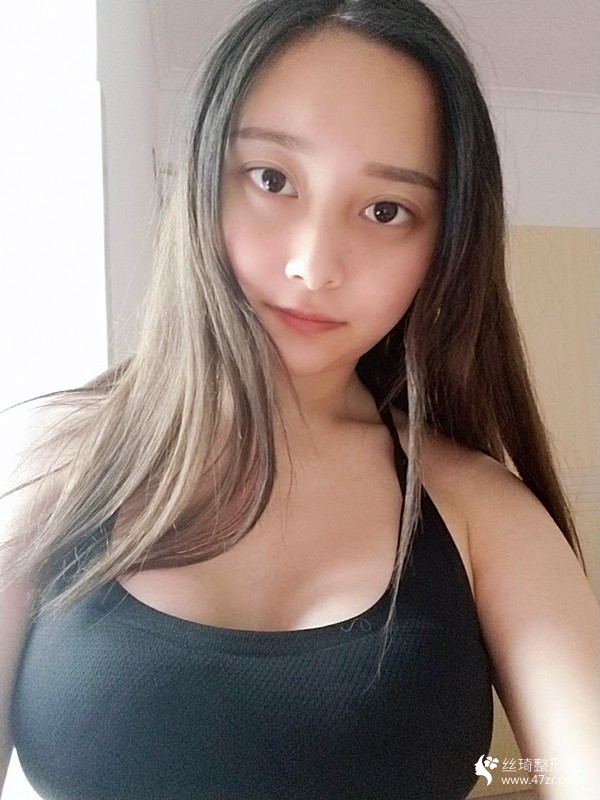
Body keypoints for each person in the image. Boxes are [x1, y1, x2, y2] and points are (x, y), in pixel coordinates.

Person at [1, 1, 598, 799]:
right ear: (202, 178)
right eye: (272, 179)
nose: (314, 266)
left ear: (444, 245)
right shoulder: (56, 460)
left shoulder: (483, 516)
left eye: (386, 210)